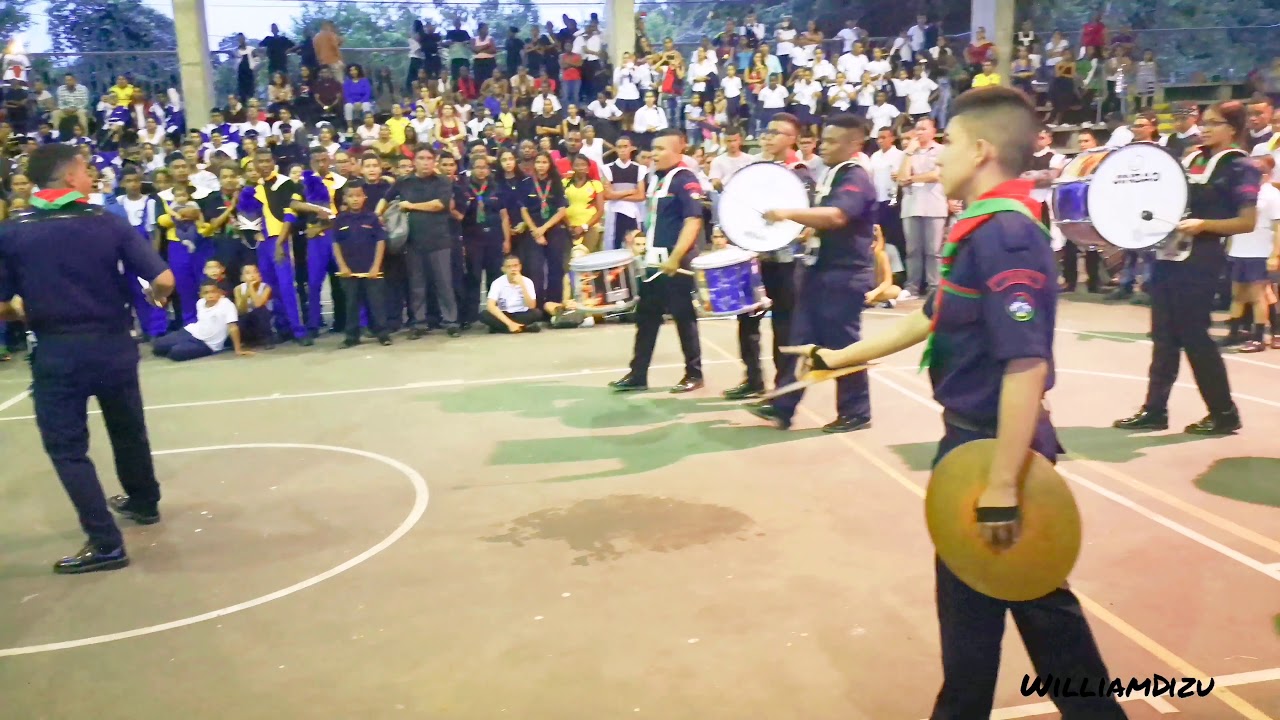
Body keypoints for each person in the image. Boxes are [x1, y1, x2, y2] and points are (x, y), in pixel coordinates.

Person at [776, 87, 1126, 719]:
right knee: (975, 622)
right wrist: (837, 358)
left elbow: (1025, 365)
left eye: (951, 145)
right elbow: (931, 320)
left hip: (998, 453)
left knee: (1043, 623)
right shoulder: (981, 228)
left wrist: (999, 487)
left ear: (984, 150)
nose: (937, 159)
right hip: (969, 447)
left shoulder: (1007, 238)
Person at [0, 144, 176, 574]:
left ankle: (105, 541)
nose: (92, 175)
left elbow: (2, 303)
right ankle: (143, 501)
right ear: (68, 177)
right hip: (114, 344)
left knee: (67, 448)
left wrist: (21, 308)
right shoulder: (107, 222)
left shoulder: (13, 232)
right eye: (85, 169)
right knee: (127, 427)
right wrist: (156, 295)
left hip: (59, 349)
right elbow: (164, 279)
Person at [1113, 100, 1261, 435]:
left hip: (1202, 260)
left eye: (1215, 123)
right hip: (1169, 256)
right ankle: (1154, 410)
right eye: (1204, 122)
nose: (1205, 128)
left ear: (1233, 129)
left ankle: (1224, 413)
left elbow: (1247, 222)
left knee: (1195, 336)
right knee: (1163, 336)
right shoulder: (1190, 158)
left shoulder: (1241, 166)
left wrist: (1203, 224)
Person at [747, 113, 878, 432]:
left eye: (833, 141)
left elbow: (836, 217)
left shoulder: (855, 176)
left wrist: (788, 214)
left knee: (843, 346)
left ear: (854, 144)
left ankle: (856, 411)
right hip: (819, 270)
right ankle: (782, 406)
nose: (824, 146)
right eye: (824, 139)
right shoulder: (833, 174)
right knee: (800, 340)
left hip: (843, 274)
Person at [609, 128, 705, 393]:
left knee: (684, 318)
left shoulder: (684, 180)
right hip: (654, 262)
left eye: (662, 149)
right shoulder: (657, 179)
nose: (654, 153)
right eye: (653, 148)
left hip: (676, 263)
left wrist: (676, 258)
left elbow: (693, 220)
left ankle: (694, 374)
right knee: (646, 318)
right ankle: (638, 374)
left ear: (680, 149)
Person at [331, 182, 392, 348]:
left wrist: (376, 266)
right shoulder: (340, 220)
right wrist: (342, 266)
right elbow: (336, 244)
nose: (355, 199)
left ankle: (382, 333)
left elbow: (380, 241)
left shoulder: (372, 218)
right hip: (349, 271)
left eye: (358, 195)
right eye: (351, 196)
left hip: (371, 270)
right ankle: (351, 336)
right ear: (345, 199)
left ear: (364, 197)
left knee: (376, 302)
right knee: (351, 304)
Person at [152, 281, 250, 361]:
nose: (210, 295)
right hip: (191, 332)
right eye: (206, 293)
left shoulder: (227, 305)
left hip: (207, 344)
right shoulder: (200, 303)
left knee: (175, 353)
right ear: (201, 294)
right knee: (157, 345)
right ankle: (174, 345)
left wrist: (238, 350)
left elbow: (233, 328)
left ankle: (177, 348)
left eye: (213, 292)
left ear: (220, 293)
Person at [480, 254, 544, 333]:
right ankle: (523, 328)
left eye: (515, 266)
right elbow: (490, 306)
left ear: (520, 267)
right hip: (504, 314)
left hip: (521, 314)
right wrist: (510, 323)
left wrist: (522, 285)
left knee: (537, 313)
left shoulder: (527, 281)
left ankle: (501, 328)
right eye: (509, 267)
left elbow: (531, 306)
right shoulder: (497, 283)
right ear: (503, 269)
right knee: (484, 315)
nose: (513, 269)